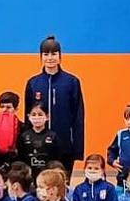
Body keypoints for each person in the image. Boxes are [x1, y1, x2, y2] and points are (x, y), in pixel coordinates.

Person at [24, 36, 85, 171]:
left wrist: (78, 149)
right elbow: (27, 116)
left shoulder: (72, 82)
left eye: (54, 54)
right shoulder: (33, 83)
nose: (50, 58)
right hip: (39, 148)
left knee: (62, 185)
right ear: (41, 56)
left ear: (60, 56)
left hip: (64, 147)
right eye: (46, 54)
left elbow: (78, 117)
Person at [17, 103, 61, 173]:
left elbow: (57, 157)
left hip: (47, 173)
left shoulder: (53, 136)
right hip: (28, 173)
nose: (37, 118)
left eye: (40, 114)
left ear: (47, 117)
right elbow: (20, 157)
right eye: (33, 115)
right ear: (28, 116)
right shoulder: (24, 136)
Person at [107, 105, 130, 177]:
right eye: (127, 119)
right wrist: (112, 161)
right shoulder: (121, 134)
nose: (129, 122)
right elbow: (112, 151)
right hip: (123, 177)